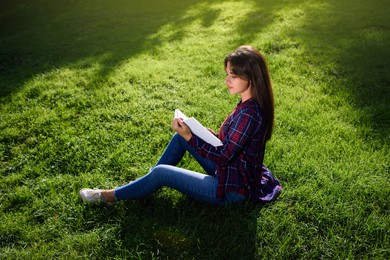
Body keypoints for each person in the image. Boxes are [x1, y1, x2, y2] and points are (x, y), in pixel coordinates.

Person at [80, 46, 282, 206]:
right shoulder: (248, 104)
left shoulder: (250, 114)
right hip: (232, 172)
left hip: (233, 190)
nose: (226, 80)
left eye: (234, 76)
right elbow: (232, 146)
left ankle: (108, 197)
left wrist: (191, 137)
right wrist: (202, 133)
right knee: (179, 138)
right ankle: (146, 184)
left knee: (162, 172)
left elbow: (224, 156)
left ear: (251, 78)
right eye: (227, 73)